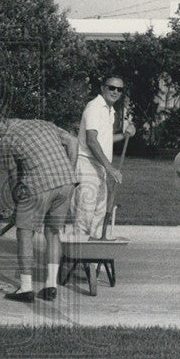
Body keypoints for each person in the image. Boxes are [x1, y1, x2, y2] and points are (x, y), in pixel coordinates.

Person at [0, 114, 79, 302]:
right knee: (53, 232)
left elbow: (14, 176)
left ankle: (25, 288)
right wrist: (70, 173)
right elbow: (72, 141)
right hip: (66, 184)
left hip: (38, 186)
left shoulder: (5, 141)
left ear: (5, 121)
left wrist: (17, 203)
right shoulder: (43, 123)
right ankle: (51, 286)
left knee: (24, 232)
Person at [73, 75, 135, 239]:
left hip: (99, 166)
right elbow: (92, 141)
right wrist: (110, 168)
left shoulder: (110, 111)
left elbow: (104, 139)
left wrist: (124, 135)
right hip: (87, 164)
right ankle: (78, 261)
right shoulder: (94, 108)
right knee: (85, 214)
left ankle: (91, 259)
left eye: (119, 89)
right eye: (111, 88)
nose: (115, 92)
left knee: (98, 214)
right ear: (102, 88)